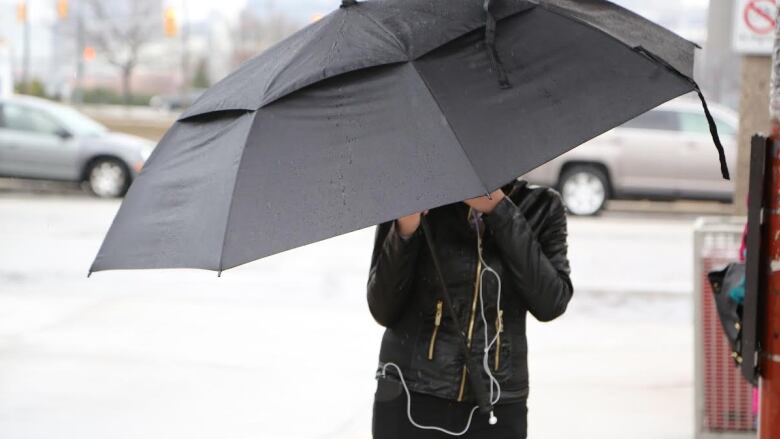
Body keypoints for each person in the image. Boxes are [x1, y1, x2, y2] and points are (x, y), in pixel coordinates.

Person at [367, 178, 573, 439]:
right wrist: (405, 231)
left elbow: (551, 303)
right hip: (411, 393)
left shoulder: (542, 206)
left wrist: (500, 210)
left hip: (498, 400)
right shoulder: (415, 196)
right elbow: (382, 308)